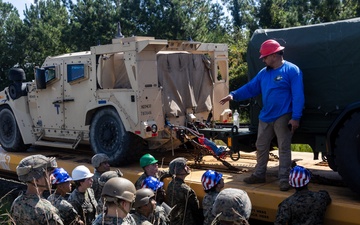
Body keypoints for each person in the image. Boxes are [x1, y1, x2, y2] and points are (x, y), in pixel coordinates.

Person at [219, 39, 305, 191]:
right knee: (261, 146)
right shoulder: (263, 74)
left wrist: (295, 117)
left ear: (274, 55)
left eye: (265, 57)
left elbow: (298, 95)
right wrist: (234, 95)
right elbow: (251, 88)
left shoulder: (292, 70)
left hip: (283, 115)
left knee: (284, 147)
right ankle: (259, 174)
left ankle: (284, 179)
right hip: (265, 116)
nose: (263, 60)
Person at [10, 154, 64, 225]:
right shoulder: (46, 209)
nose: (53, 178)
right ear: (36, 179)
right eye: (49, 174)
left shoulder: (17, 202)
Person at [165, 157, 203, 225]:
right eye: (185, 166)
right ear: (180, 170)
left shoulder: (170, 184)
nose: (188, 167)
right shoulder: (186, 190)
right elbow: (195, 208)